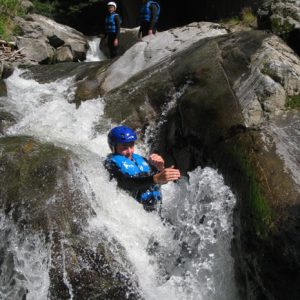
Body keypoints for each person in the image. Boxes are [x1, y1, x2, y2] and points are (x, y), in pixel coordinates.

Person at [104, 125, 181, 211]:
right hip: (135, 214)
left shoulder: (140, 159)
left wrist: (160, 168)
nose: (130, 151)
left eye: (131, 145)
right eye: (124, 147)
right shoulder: (110, 164)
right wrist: (155, 178)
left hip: (155, 212)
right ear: (113, 147)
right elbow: (125, 183)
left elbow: (159, 181)